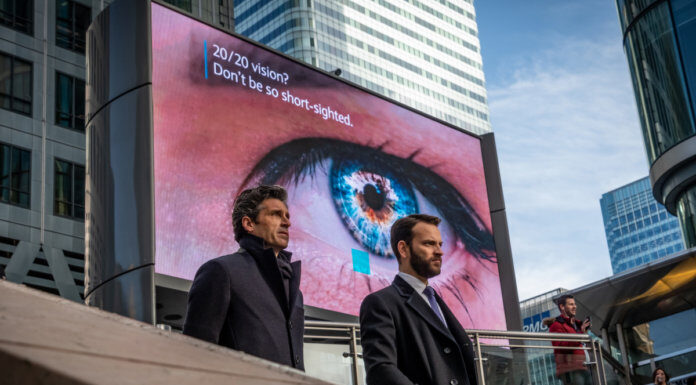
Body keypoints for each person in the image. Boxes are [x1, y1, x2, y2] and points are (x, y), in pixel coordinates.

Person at [183, 185, 304, 370]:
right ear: (249, 224)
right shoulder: (220, 271)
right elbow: (196, 356)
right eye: (276, 214)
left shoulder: (294, 289)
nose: (287, 223)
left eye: (287, 216)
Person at [359, 214, 478, 385]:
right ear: (403, 249)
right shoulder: (381, 303)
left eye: (440, 244)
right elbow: (381, 370)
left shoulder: (436, 302)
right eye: (429, 243)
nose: (439, 251)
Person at [548, 294, 591, 385]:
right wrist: (580, 335)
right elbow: (560, 346)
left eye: (574, 304)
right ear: (562, 307)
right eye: (571, 304)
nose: (575, 306)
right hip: (571, 369)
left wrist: (583, 332)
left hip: (585, 366)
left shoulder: (576, 324)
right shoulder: (556, 325)